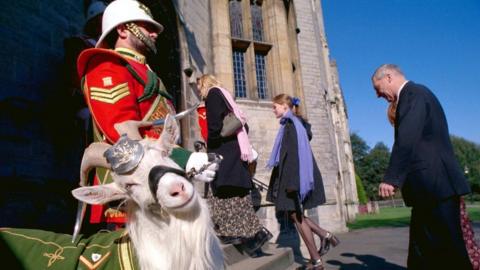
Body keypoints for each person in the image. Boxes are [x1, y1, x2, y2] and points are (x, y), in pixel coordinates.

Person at [76, 0, 218, 229]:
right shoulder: (108, 66)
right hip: (130, 187)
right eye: (146, 27)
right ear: (123, 30)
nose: (155, 33)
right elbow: (121, 134)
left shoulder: (144, 69)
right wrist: (185, 159)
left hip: (159, 176)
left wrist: (179, 160)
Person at [373, 64, 472, 269]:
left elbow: (407, 138)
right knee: (422, 250)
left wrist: (392, 177)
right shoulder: (412, 96)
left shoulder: (414, 94)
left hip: (437, 186)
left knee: (450, 250)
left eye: (377, 87)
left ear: (389, 77)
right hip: (427, 189)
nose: (377, 94)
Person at [196, 74, 271, 256]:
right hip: (233, 152)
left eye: (199, 87)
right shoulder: (224, 95)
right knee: (233, 197)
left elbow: (214, 126)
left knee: (223, 195)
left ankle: (247, 234)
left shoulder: (213, 95)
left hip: (224, 153)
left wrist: (210, 144)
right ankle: (241, 235)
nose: (199, 91)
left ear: (205, 84)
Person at [266, 94, 339, 270]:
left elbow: (292, 157)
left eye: (275, 106)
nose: (273, 110)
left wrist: (292, 184)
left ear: (285, 106)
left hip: (293, 178)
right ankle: (321, 246)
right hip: (296, 177)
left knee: (296, 216)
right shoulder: (295, 125)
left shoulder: (291, 126)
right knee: (297, 216)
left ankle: (318, 256)